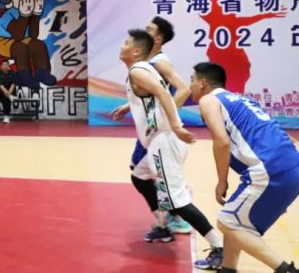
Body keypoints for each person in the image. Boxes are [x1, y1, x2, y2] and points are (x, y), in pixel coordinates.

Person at [114, 29, 226, 270]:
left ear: (136, 51)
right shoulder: (142, 70)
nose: (122, 46)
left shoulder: (137, 70)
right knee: (139, 177)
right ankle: (162, 226)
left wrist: (175, 125)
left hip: (164, 141)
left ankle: (218, 247)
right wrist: (128, 105)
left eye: (126, 43)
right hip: (159, 140)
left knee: (177, 201)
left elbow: (163, 92)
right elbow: (152, 94)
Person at [190, 62, 299, 273]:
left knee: (226, 222)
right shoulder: (242, 100)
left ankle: (285, 270)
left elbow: (221, 141)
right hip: (291, 165)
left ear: (203, 83)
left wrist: (222, 181)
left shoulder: (208, 100)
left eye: (192, 80)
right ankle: (228, 269)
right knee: (235, 219)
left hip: (269, 169)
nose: (190, 86)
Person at [113, 16, 193, 234]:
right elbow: (153, 93)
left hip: (158, 130)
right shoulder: (145, 63)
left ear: (157, 39)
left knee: (142, 173)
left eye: (149, 30)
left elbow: (184, 89)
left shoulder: (159, 61)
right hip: (153, 129)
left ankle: (175, 214)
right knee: (142, 171)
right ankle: (172, 209)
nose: (144, 31)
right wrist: (128, 106)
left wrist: (164, 117)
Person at [0, 59, 18, 123]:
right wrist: (7, 94)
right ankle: (7, 116)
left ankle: (6, 116)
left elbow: (13, 84)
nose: (5, 66)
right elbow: (0, 85)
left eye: (6, 65)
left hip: (10, 90)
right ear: (1, 67)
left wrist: (9, 93)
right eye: (3, 65)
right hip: (3, 91)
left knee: (5, 98)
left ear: (8, 66)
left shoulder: (12, 73)